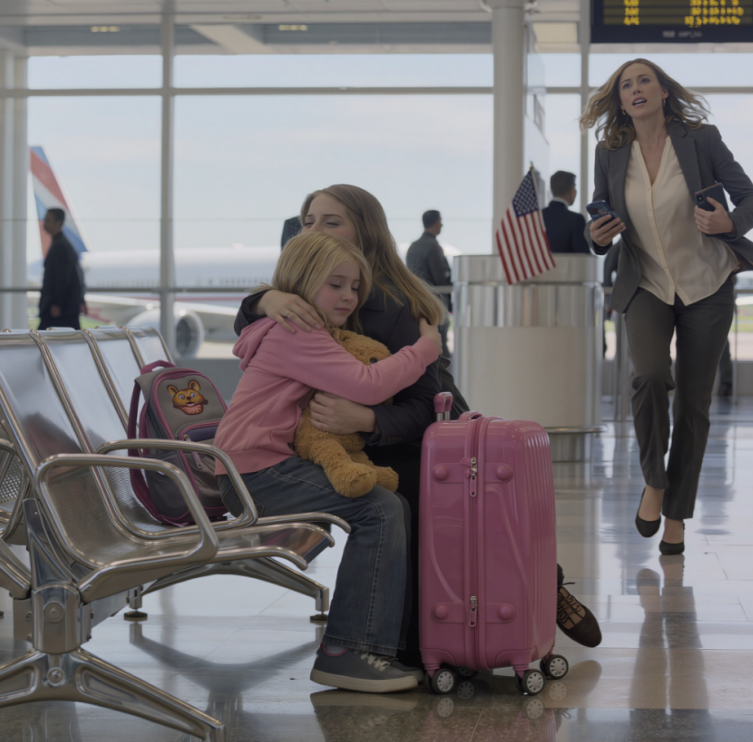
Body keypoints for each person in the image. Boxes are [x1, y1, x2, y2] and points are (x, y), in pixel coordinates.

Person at [234, 184, 603, 655]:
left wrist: (366, 418)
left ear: (364, 232)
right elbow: (254, 334)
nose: (315, 230)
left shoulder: (391, 305)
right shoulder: (299, 300)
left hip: (421, 439)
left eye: (331, 221)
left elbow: (430, 406)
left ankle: (522, 592)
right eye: (308, 221)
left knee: (430, 503)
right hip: (358, 446)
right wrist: (262, 301)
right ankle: (395, 636)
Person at [215, 232, 442, 693]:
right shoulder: (297, 331)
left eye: (354, 287)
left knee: (385, 504)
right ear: (301, 283)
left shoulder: (297, 330)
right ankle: (348, 651)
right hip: (254, 473)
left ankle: (359, 647)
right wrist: (425, 350)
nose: (348, 296)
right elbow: (368, 384)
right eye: (335, 284)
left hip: (253, 466)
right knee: (380, 508)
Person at [581, 58, 753, 555]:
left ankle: (677, 513)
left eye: (645, 81)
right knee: (647, 376)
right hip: (646, 284)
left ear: (663, 92)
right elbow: (602, 215)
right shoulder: (610, 151)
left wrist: (730, 223)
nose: (636, 89)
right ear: (620, 100)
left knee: (693, 403)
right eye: (627, 84)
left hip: (707, 283)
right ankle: (655, 481)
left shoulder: (701, 139)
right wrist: (597, 236)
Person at [406, 209, 451, 356]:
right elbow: (439, 279)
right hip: (434, 303)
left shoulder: (413, 247)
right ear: (436, 222)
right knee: (440, 346)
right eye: (441, 222)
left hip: (416, 303)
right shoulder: (433, 247)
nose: (442, 225)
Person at [38, 207, 85, 331]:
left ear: (58, 223)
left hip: (60, 311)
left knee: (41, 342)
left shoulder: (60, 246)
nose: (44, 223)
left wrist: (57, 303)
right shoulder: (63, 244)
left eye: (48, 220)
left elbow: (62, 278)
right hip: (64, 309)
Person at [542, 171, 591, 254]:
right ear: (571, 190)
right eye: (575, 188)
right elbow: (583, 257)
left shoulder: (536, 216)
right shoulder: (576, 220)